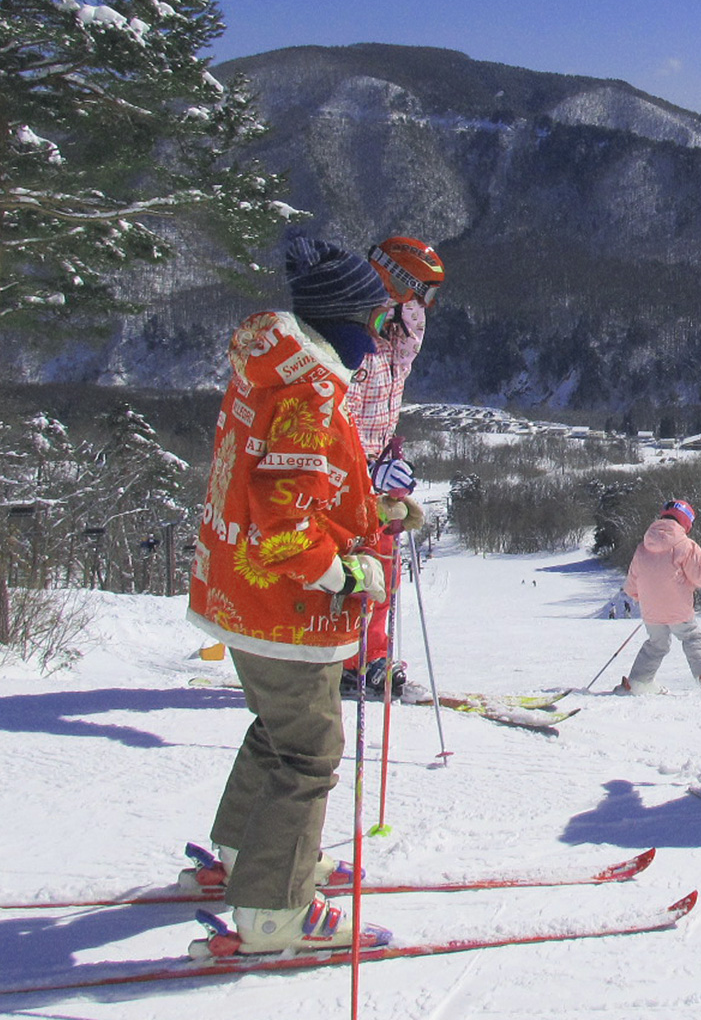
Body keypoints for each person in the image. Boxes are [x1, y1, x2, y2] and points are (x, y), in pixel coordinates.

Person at [183, 235, 395, 956]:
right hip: (285, 610)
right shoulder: (306, 392)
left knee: (276, 732)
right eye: (372, 319)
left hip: (238, 592)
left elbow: (283, 487)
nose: (378, 336)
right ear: (341, 319)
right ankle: (276, 912)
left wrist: (371, 516)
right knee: (308, 750)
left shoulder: (274, 374)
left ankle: (255, 858)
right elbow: (284, 522)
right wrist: (348, 571)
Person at [340, 237, 444, 700]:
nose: (425, 305)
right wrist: (364, 469)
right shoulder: (350, 341)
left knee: (384, 568)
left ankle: (371, 657)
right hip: (344, 477)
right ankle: (345, 660)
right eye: (421, 290)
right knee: (356, 571)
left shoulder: (393, 339)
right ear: (397, 281)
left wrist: (387, 459)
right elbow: (333, 419)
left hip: (373, 470)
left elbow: (410, 341)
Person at [619, 499, 701, 693]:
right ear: (686, 522)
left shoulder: (642, 547)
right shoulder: (686, 546)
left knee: (656, 644)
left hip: (651, 611)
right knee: (692, 638)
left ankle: (638, 682)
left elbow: (631, 584)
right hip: (678, 609)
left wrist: (645, 598)